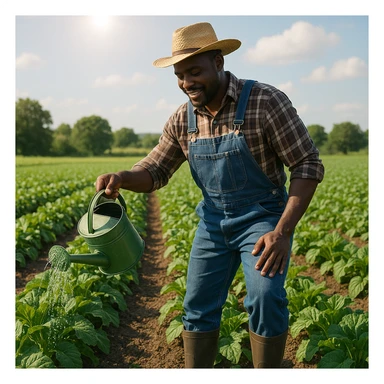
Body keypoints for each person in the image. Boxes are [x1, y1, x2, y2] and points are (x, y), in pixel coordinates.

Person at [95, 21, 324, 368]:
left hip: (263, 220)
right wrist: (122, 177)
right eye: (179, 75)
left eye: (194, 71)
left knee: (265, 297)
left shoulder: (264, 101)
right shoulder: (181, 120)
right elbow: (156, 169)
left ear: (218, 62)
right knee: (196, 306)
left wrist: (282, 231)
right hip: (214, 222)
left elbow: (307, 164)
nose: (187, 83)